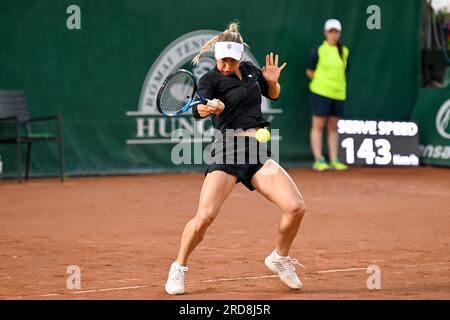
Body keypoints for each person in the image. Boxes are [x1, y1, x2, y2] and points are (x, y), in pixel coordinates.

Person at [164, 22, 306, 295]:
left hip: (256, 151)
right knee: (205, 217)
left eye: (231, 60)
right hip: (227, 149)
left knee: (296, 207)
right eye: (222, 60)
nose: (227, 65)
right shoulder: (210, 80)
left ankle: (279, 258)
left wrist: (273, 83)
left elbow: (272, 95)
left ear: (240, 57)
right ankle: (179, 267)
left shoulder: (252, 72)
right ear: (216, 58)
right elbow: (200, 108)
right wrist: (210, 106)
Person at [306, 19, 350, 171]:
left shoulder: (344, 51)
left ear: (339, 33)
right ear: (325, 33)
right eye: (330, 31)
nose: (333, 34)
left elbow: (345, 72)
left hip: (338, 93)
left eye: (336, 31)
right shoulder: (319, 50)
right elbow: (310, 72)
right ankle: (318, 159)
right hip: (321, 92)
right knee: (318, 126)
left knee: (333, 127)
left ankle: (334, 159)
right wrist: (321, 83)